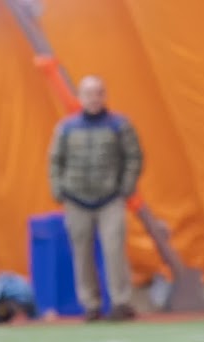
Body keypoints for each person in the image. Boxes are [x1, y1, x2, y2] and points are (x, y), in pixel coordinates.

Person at [48, 75, 143, 321]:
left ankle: (121, 302)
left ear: (104, 95)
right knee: (82, 253)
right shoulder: (66, 128)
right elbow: (55, 161)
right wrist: (59, 190)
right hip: (76, 199)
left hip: (110, 198)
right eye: (88, 94)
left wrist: (125, 187)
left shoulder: (119, 125)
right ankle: (90, 304)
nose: (93, 99)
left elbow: (133, 157)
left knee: (114, 250)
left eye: (98, 93)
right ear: (80, 97)